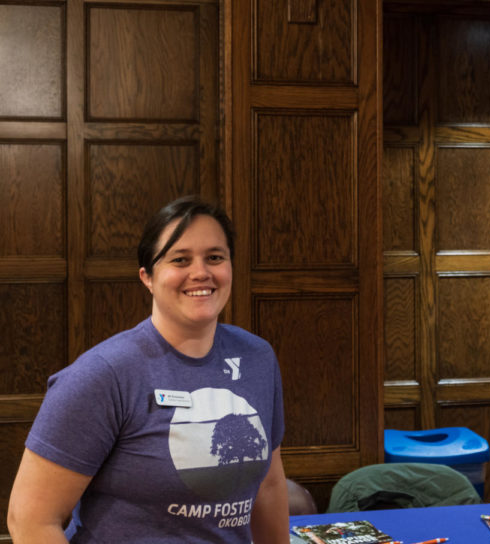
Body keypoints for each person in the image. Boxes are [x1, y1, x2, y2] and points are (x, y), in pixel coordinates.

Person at [7, 196, 289, 543]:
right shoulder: (102, 375)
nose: (200, 272)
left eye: (215, 257)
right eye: (180, 259)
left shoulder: (258, 358)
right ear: (148, 277)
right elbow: (30, 519)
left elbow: (270, 487)